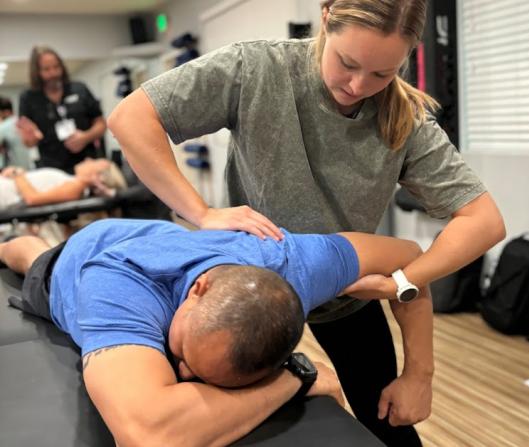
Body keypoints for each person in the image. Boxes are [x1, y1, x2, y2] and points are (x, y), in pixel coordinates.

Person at [107, 0, 506, 445]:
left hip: (345, 291)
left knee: (389, 426)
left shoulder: (406, 120)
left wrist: (405, 296)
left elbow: (483, 221)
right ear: (326, 15)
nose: (357, 86)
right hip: (249, 291)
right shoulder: (256, 69)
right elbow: (131, 117)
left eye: (382, 74)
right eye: (347, 63)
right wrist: (201, 212)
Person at [1, 218, 429, 446]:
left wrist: (418, 375)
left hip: (160, 239)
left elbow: (412, 257)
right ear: (199, 290)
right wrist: (299, 375)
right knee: (29, 255)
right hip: (78, 261)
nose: (184, 374)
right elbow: (149, 436)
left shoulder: (299, 261)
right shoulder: (116, 288)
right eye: (184, 354)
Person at [17, 46, 106, 174]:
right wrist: (31, 138)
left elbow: (101, 124)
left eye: (56, 67)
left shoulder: (79, 89)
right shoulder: (28, 98)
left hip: (88, 165)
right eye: (46, 69)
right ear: (36, 72)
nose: (53, 73)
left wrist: (86, 137)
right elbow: (28, 142)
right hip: (52, 171)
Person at [0, 158, 126, 210]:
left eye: (94, 162)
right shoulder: (71, 181)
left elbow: (32, 198)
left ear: (98, 177)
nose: (88, 159)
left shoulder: (76, 187)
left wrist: (17, 174)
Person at [0, 96, 33, 170]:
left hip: (15, 171)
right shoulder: (24, 122)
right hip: (32, 167)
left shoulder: (3, 126)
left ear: (5, 112)